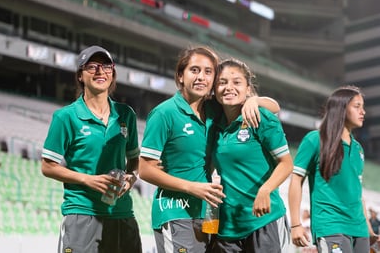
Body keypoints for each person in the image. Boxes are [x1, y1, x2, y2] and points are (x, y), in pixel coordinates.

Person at [138, 46, 280, 253]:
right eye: (194, 70)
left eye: (208, 72)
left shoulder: (215, 109)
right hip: (175, 211)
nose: (201, 77)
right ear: (180, 75)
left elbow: (275, 107)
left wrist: (254, 100)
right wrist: (191, 187)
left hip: (206, 214)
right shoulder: (164, 113)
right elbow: (145, 170)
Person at [41, 45, 142, 253]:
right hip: (82, 212)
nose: (100, 71)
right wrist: (89, 179)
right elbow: (48, 167)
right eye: (92, 66)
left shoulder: (126, 115)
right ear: (80, 75)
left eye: (106, 66)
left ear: (112, 74)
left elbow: (134, 161)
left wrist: (131, 179)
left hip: (122, 213)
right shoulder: (65, 116)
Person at [209, 58, 293, 253]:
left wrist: (265, 190)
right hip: (227, 228)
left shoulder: (261, 118)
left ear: (248, 88)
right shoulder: (214, 124)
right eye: (222, 82)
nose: (229, 87)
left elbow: (286, 164)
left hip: (264, 221)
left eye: (236, 82)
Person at [288, 85, 375, 253]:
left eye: (363, 107)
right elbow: (296, 180)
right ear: (341, 108)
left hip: (359, 230)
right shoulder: (314, 140)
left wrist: (369, 230)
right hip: (330, 225)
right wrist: (295, 224)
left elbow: (358, 194)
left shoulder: (358, 149)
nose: (363, 112)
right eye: (357, 106)